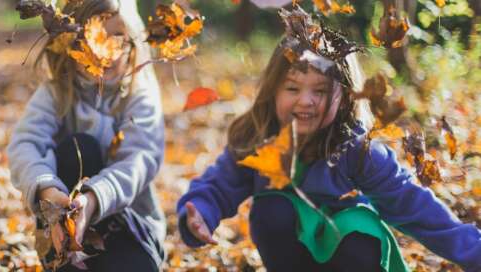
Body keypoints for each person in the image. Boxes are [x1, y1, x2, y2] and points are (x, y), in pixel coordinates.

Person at [177, 6, 481, 272]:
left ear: (345, 97)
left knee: (356, 229)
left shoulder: (357, 149)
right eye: (293, 89)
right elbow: (219, 185)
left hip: (353, 255)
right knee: (272, 210)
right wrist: (201, 212)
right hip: (291, 252)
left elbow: (412, 204)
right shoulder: (258, 138)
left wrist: (473, 252)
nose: (305, 101)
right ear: (273, 91)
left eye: (320, 91)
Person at [7, 0, 165, 270]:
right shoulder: (57, 92)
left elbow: (138, 161)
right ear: (71, 45)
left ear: (133, 40)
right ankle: (67, 256)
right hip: (64, 230)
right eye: (94, 37)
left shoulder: (139, 96)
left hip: (129, 229)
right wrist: (48, 191)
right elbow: (26, 144)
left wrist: (92, 201)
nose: (109, 49)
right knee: (78, 148)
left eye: (118, 35)